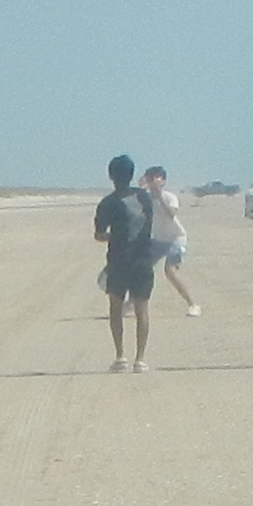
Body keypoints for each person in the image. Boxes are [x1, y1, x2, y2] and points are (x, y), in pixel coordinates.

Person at [92, 155, 158, 370]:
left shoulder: (107, 203)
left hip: (118, 260)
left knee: (116, 308)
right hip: (142, 259)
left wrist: (115, 236)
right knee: (142, 309)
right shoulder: (144, 199)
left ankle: (120, 356)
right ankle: (140, 359)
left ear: (111, 176)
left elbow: (100, 235)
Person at [142, 167, 203, 316]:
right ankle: (133, 302)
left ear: (163, 181)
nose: (153, 181)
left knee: (170, 271)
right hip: (158, 239)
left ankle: (193, 304)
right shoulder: (145, 198)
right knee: (142, 269)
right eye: (150, 178)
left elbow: (171, 214)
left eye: (157, 178)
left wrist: (159, 197)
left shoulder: (170, 197)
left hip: (176, 238)